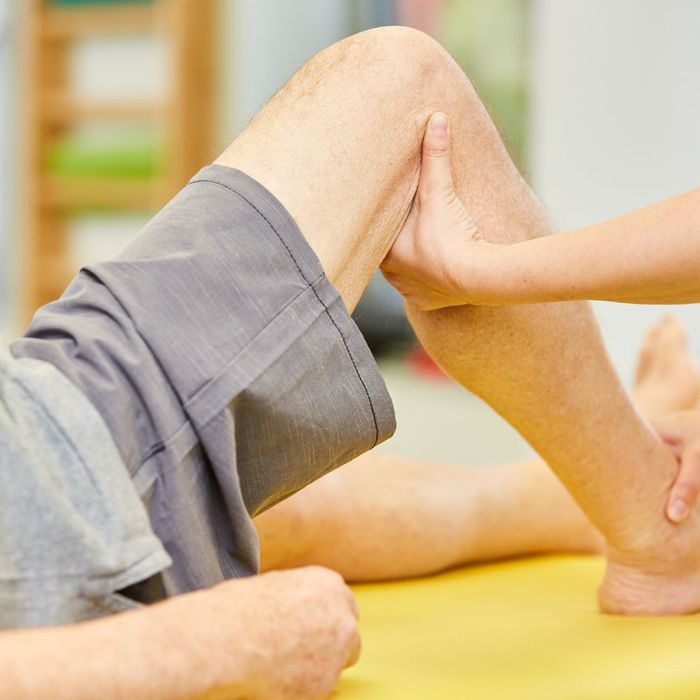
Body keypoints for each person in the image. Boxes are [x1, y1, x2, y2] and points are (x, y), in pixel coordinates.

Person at [1, 25, 699, 700]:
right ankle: (656, 520)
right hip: (53, 472)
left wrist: (491, 272)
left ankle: (580, 494)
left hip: (37, 452)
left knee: (260, 507)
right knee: (403, 86)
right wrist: (201, 652)